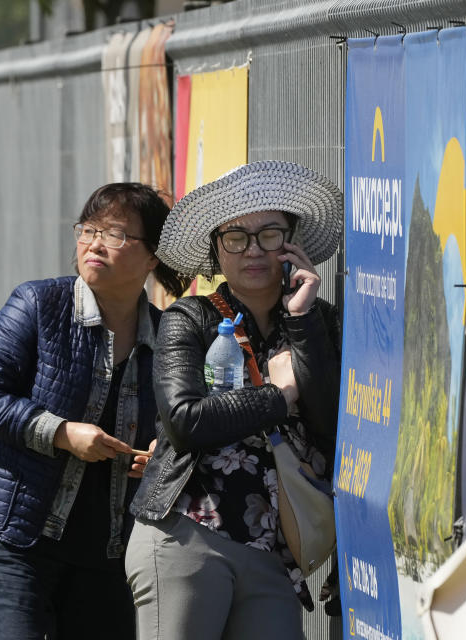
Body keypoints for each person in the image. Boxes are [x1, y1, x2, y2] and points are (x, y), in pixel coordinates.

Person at [0, 183, 191, 640]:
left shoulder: (169, 336)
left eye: (116, 234)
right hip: (19, 533)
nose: (95, 243)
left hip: (109, 548)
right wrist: (61, 433)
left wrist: (163, 452)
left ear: (153, 256)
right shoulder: (40, 304)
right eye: (88, 229)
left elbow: (182, 421)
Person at [125, 160, 344, 639]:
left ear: (292, 243)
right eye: (235, 238)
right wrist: (279, 395)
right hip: (188, 534)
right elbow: (185, 421)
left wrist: (302, 320)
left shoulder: (318, 321)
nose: (253, 250)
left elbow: (334, 424)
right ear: (216, 251)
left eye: (269, 234)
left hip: (274, 552)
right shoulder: (190, 318)